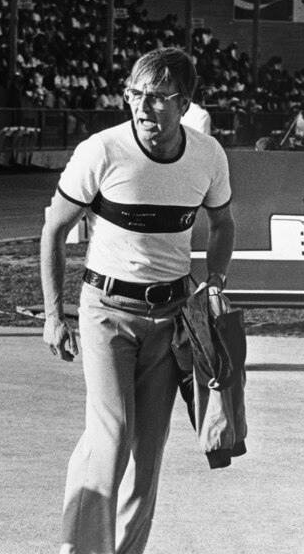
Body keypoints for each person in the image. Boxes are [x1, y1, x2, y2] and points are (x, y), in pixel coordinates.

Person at [40, 47, 235, 554]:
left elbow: (224, 222)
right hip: (106, 310)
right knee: (112, 434)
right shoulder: (101, 150)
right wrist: (52, 314)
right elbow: (54, 231)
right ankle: (80, 547)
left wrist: (213, 284)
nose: (143, 106)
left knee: (147, 455)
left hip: (172, 320)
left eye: (158, 97)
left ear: (185, 103)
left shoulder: (208, 155)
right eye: (135, 94)